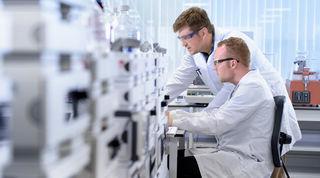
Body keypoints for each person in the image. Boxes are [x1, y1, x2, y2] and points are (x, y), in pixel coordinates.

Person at [165, 6, 301, 155]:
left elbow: (229, 88)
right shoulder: (194, 53)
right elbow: (178, 81)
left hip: (267, 110)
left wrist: (203, 116)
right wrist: (156, 102)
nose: (183, 43)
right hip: (243, 113)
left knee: (271, 159)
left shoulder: (233, 44)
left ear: (203, 32)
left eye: (187, 37)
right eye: (180, 38)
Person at [167, 37, 275, 178]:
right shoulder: (243, 85)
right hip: (235, 154)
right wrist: (175, 116)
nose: (213, 67)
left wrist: (173, 118)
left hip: (246, 162)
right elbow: (215, 115)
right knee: (177, 158)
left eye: (217, 62)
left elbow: (218, 123)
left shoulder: (252, 87)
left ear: (233, 63)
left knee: (179, 166)